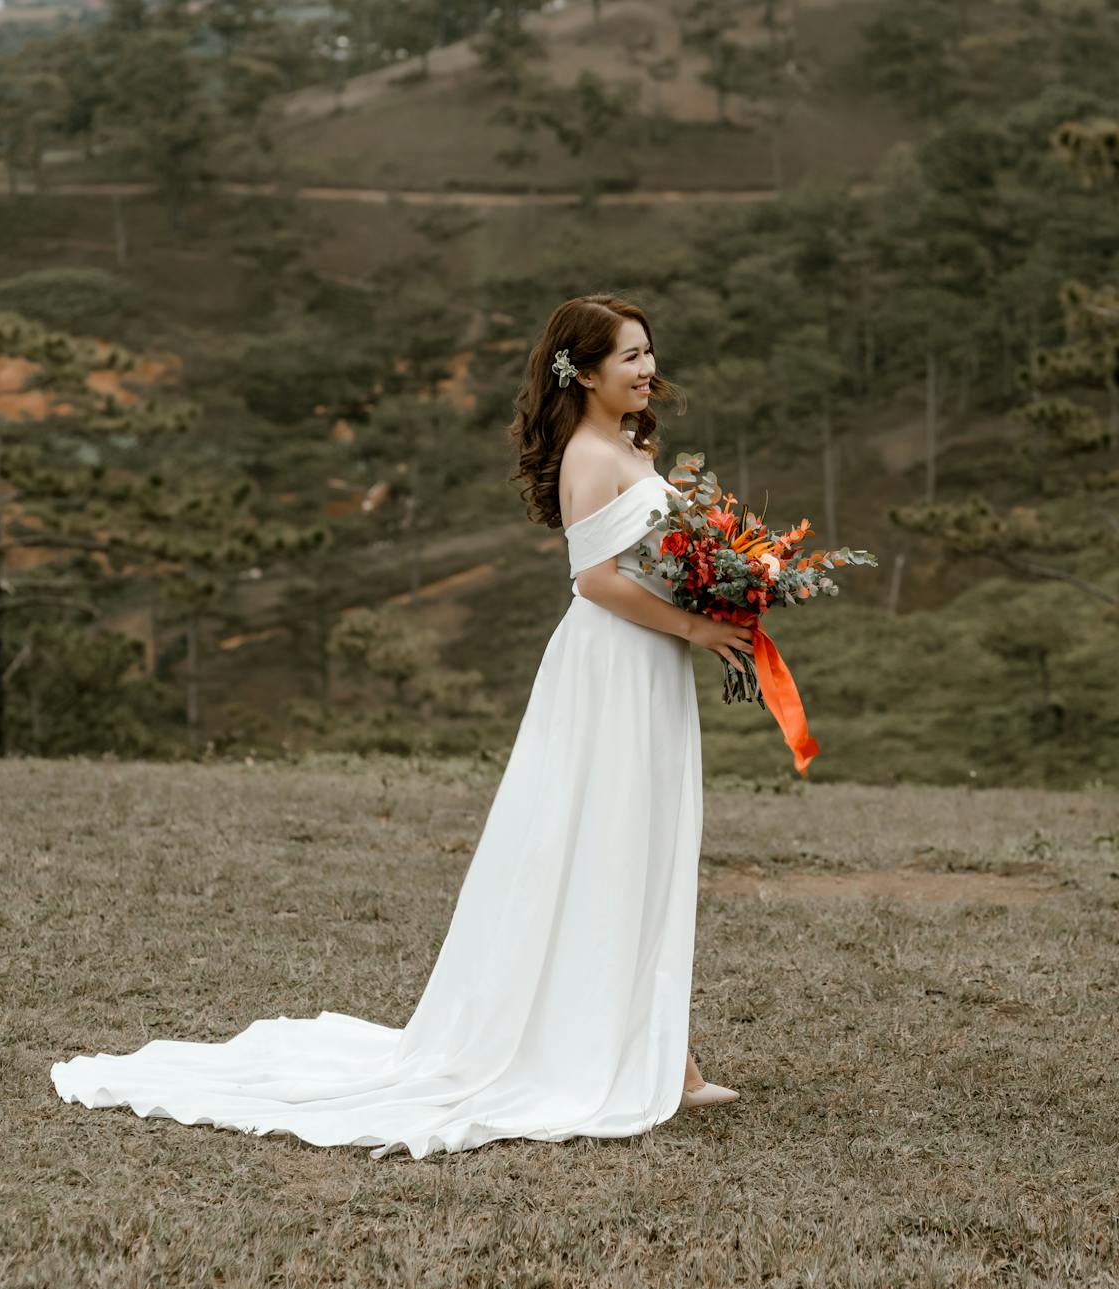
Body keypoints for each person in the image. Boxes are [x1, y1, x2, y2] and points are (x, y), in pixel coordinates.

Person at [51, 293, 750, 1157]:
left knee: (645, 848)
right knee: (606, 846)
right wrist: (696, 624)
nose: (648, 369)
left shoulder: (635, 446)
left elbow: (655, 553)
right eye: (631, 356)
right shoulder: (586, 455)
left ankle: (662, 1052)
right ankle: (639, 1056)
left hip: (648, 665)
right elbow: (596, 580)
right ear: (586, 370)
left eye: (649, 353)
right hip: (613, 664)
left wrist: (723, 574)